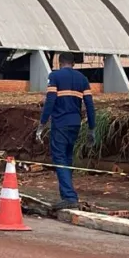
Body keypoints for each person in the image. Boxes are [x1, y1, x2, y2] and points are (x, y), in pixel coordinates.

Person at [35, 53, 96, 209]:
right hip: (75, 124)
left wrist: (42, 124)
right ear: (73, 63)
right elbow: (89, 104)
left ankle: (69, 197)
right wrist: (92, 128)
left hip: (60, 124)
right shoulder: (82, 79)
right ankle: (68, 195)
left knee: (60, 158)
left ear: (59, 62)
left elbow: (50, 101)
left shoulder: (55, 76)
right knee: (67, 159)